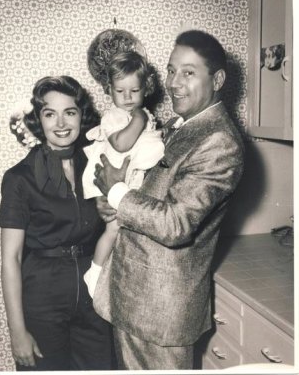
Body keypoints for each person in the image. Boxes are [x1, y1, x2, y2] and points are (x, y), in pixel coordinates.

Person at [92, 30, 245, 370]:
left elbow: (176, 224)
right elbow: (152, 194)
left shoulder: (219, 141)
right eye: (172, 70)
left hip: (160, 312)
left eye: (188, 72)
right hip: (135, 299)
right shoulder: (184, 126)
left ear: (217, 79)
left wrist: (118, 192)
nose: (174, 82)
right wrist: (117, 202)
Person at [0, 76, 115, 371]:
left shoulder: (98, 166)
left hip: (93, 294)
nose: (61, 123)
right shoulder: (19, 179)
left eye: (70, 112)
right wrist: (17, 332)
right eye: (50, 113)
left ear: (81, 115)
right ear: (39, 120)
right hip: (42, 298)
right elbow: (11, 258)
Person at [82, 51, 164, 298]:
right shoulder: (114, 116)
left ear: (146, 88)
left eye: (134, 91)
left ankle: (114, 277)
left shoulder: (146, 115)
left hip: (131, 185)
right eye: (120, 91)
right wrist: (138, 118)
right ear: (109, 89)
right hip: (115, 182)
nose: (128, 98)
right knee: (113, 231)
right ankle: (94, 273)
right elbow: (120, 144)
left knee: (129, 234)